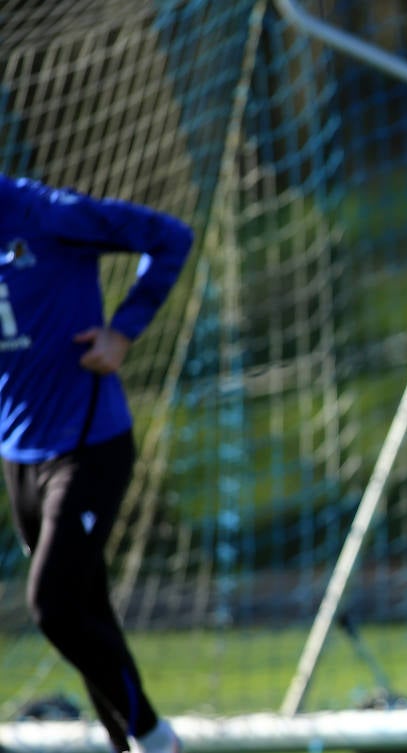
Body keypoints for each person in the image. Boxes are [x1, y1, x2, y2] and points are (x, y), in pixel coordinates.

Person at [0, 175, 190, 753]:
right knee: (86, 612)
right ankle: (127, 743)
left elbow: (170, 236)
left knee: (53, 606)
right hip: (18, 455)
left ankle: (155, 739)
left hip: (87, 447)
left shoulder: (46, 213)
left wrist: (123, 333)